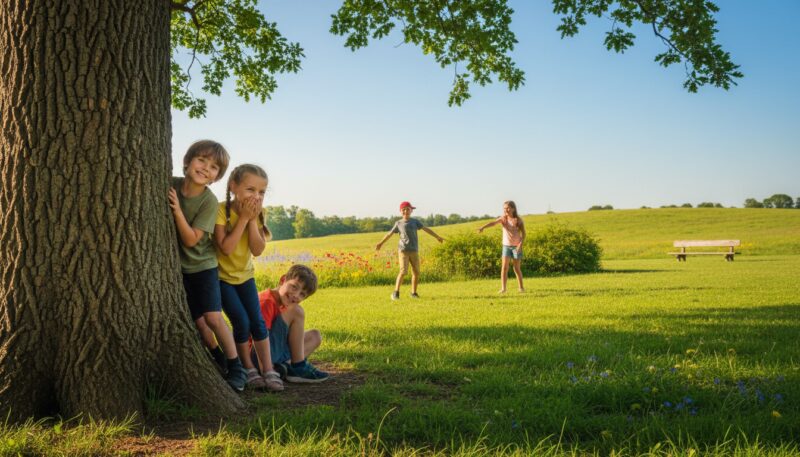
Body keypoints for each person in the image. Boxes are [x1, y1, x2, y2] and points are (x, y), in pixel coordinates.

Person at [168, 139, 247, 392]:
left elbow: (192, 240)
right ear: (188, 161)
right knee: (198, 323)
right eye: (201, 160)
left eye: (213, 167)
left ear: (216, 177)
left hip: (203, 267)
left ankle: (237, 367)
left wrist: (178, 211)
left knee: (213, 317)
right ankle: (218, 358)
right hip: (179, 270)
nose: (205, 168)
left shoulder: (208, 202)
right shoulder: (172, 184)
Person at [214, 164, 284, 392]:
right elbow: (225, 248)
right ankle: (248, 368)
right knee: (241, 323)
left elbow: (257, 250)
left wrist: (252, 219)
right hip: (223, 280)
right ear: (233, 186)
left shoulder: (257, 214)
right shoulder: (220, 210)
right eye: (250, 189)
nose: (256, 196)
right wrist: (243, 218)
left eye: (261, 192)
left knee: (258, 323)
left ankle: (268, 369)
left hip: (246, 278)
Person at [254, 264, 330, 383]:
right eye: (294, 287)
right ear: (283, 280)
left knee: (314, 336)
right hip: (257, 356)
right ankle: (298, 367)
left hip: (272, 351)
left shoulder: (284, 303)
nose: (296, 295)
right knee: (297, 310)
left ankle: (284, 368)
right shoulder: (266, 301)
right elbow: (257, 338)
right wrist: (264, 370)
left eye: (302, 294)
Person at [375, 201, 444, 300]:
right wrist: (381, 243)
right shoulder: (398, 223)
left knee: (416, 272)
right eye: (404, 209)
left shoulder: (415, 222)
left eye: (408, 209)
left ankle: (414, 293)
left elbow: (426, 229)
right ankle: (396, 293)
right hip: (403, 251)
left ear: (411, 211)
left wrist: (437, 237)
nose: (406, 211)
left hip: (414, 251)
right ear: (400, 211)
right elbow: (389, 234)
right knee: (403, 271)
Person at [477, 200, 526, 293]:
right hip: (506, 246)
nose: (505, 210)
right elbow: (493, 223)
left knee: (516, 268)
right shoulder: (503, 218)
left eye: (507, 208)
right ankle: (503, 289)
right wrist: (483, 227)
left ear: (513, 208)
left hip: (516, 247)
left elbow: (524, 234)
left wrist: (520, 245)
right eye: (504, 208)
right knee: (504, 268)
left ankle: (521, 288)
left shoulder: (518, 220)